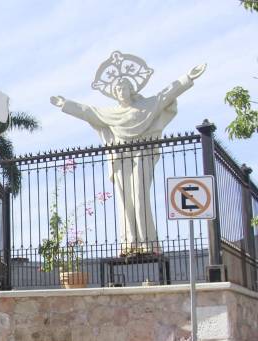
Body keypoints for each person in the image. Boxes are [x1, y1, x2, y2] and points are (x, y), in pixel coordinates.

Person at [51, 51, 206, 254]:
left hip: (142, 154)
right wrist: (66, 105)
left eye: (124, 87)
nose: (121, 90)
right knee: (125, 201)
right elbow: (88, 111)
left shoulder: (146, 106)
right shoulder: (112, 114)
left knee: (140, 197)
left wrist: (187, 78)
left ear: (131, 89)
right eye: (117, 88)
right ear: (114, 93)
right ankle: (129, 243)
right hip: (120, 158)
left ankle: (148, 243)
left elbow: (166, 94)